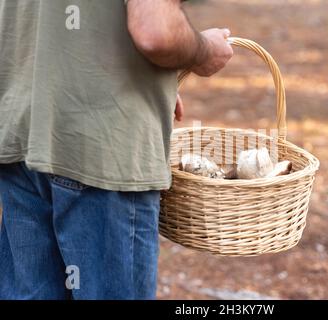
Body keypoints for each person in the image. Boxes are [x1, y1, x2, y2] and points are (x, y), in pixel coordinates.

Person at [0, 0, 233, 300]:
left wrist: (147, 79)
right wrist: (204, 51)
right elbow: (156, 31)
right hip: (102, 148)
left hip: (22, 128)